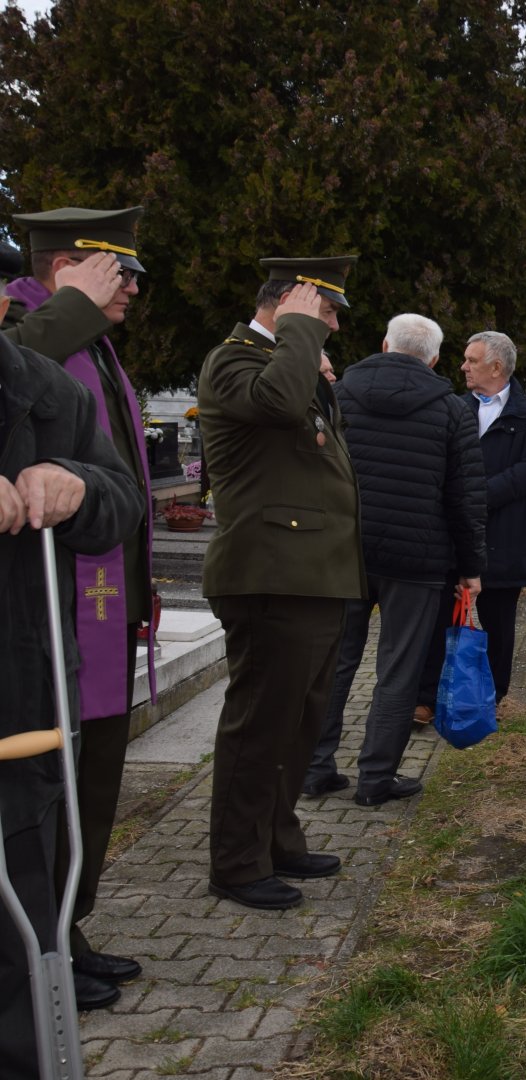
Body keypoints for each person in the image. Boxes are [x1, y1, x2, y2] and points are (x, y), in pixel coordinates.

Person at [2, 206, 153, 1010]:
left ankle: (65, 931)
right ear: (65, 269)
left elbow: (114, 474)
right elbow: (17, 367)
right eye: (117, 273)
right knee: (51, 780)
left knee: (81, 775)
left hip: (88, 593)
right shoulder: (37, 321)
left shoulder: (88, 344)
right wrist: (70, 306)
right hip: (41, 606)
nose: (131, 289)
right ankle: (46, 941)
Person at [196, 256, 364, 911]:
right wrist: (298, 337)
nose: (333, 327)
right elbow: (276, 405)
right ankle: (237, 864)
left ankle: (276, 839)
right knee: (260, 726)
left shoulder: (289, 365)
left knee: (298, 724)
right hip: (269, 574)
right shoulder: (232, 360)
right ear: (289, 304)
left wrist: (306, 359)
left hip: (313, 575)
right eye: (326, 312)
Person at [303, 314, 485, 805]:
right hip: (416, 558)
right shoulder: (451, 410)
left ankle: (314, 769)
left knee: (334, 663)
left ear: (384, 345)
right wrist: (470, 568)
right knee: (399, 669)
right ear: (434, 359)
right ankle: (375, 778)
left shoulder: (337, 395)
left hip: (344, 551)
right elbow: (465, 499)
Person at [422, 330, 526, 707]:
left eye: (471, 360)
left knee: (497, 623)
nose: (463, 366)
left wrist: (477, 494)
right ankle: (428, 697)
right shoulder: (452, 408)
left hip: (505, 537)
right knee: (440, 620)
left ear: (496, 367)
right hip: (452, 536)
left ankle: (490, 697)